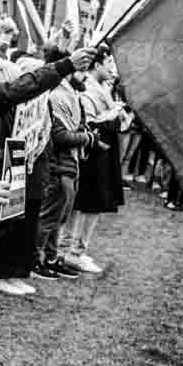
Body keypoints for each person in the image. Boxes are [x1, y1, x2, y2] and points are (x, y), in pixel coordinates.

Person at [34, 47, 101, 280]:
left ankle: (51, 258)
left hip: (69, 165)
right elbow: (60, 136)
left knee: (58, 219)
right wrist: (88, 138)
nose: (84, 76)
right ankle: (36, 260)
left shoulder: (70, 96)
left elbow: (75, 126)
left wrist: (84, 132)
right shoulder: (56, 96)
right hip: (58, 166)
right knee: (49, 218)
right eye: (80, 70)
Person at [60, 47, 127, 274]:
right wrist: (112, 115)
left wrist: (115, 115)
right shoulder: (88, 89)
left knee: (91, 204)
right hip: (92, 153)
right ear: (97, 65)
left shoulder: (103, 89)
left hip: (103, 152)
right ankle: (72, 251)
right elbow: (89, 123)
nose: (112, 69)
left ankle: (74, 249)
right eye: (109, 63)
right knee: (86, 204)